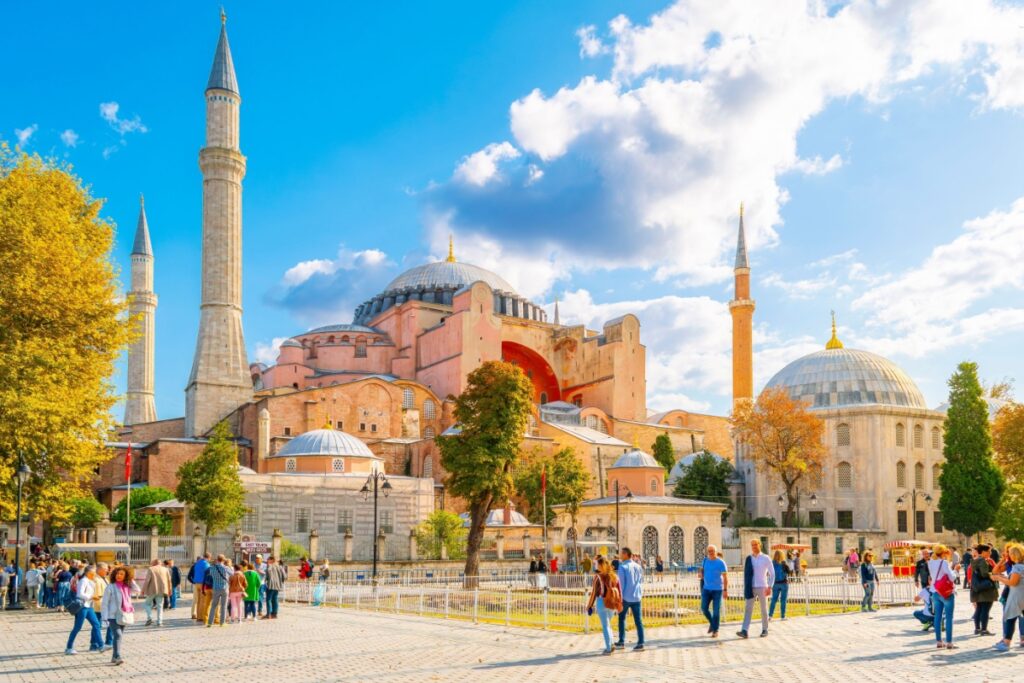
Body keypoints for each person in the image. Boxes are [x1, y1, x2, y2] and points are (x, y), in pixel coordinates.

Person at [737, 539, 774, 639]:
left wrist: (769, 586)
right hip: (751, 587)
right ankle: (744, 630)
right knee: (748, 609)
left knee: (764, 609)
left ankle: (765, 629)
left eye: (755, 544)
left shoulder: (766, 558)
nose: (753, 546)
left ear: (759, 545)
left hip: (762, 587)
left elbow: (772, 573)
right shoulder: (749, 558)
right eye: (752, 545)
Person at [65, 565, 104, 655]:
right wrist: (92, 596)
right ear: (88, 572)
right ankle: (69, 647)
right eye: (94, 572)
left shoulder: (90, 581)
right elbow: (80, 594)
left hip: (89, 606)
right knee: (77, 627)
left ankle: (101, 645)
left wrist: (94, 598)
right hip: (82, 607)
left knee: (96, 624)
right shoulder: (83, 581)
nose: (95, 573)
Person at [992, 544, 1024, 652]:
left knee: (1010, 618)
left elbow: (1013, 583)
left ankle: (1006, 643)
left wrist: (998, 578)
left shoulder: (1018, 567)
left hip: (1016, 596)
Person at [586, 555, 620, 654]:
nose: (596, 566)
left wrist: (589, 605)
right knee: (608, 625)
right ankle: (612, 643)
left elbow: (594, 592)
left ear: (600, 565)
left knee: (605, 626)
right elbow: (618, 589)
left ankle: (609, 648)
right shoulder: (614, 576)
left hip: (602, 602)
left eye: (598, 564)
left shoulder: (598, 577)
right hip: (612, 602)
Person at [101, 566, 134, 666]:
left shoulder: (127, 587)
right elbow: (105, 603)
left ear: (125, 576)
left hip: (124, 614)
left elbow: (138, 589)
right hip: (112, 616)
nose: (118, 576)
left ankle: (113, 657)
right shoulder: (110, 587)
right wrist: (104, 618)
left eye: (122, 574)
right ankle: (117, 656)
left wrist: (131, 580)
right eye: (117, 573)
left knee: (118, 637)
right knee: (118, 635)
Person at [928, 544, 959, 649]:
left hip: (935, 591)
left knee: (937, 617)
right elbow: (951, 577)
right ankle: (949, 642)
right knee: (949, 617)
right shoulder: (943, 562)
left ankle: (939, 641)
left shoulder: (930, 562)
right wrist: (955, 570)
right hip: (946, 592)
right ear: (943, 553)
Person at [614, 547, 645, 651]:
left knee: (621, 618)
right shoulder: (638, 566)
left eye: (621, 554)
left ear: (626, 554)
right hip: (636, 597)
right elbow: (641, 581)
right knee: (638, 621)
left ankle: (621, 641)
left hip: (626, 597)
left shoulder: (623, 567)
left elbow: (621, 584)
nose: (620, 556)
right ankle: (641, 642)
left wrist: (619, 598)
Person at [698, 544, 728, 637]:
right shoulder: (705, 560)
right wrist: (700, 573)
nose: (710, 553)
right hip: (706, 589)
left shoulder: (721, 562)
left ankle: (716, 630)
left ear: (716, 552)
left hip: (717, 590)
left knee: (716, 611)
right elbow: (702, 570)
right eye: (709, 551)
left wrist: (725, 590)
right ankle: (712, 624)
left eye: (712, 551)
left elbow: (725, 577)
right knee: (704, 608)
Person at [970, 544, 998, 636]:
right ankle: (984, 629)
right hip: (986, 588)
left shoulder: (976, 560)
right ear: (983, 552)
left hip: (978, 588)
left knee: (979, 609)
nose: (990, 552)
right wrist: (993, 574)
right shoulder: (983, 561)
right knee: (985, 609)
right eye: (989, 551)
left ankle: (977, 628)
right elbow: (984, 574)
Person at [141, 558, 170, 627]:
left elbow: (147, 580)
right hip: (162, 590)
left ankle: (150, 617)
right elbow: (169, 580)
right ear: (160, 563)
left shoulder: (151, 569)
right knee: (160, 606)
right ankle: (159, 622)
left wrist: (143, 590)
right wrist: (169, 590)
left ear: (154, 563)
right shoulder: (165, 569)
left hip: (152, 590)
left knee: (146, 604)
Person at [206, 554, 233, 627]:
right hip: (224, 588)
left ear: (217, 559)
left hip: (215, 588)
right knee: (223, 606)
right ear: (223, 560)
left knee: (213, 605)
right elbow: (232, 574)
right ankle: (222, 623)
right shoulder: (226, 568)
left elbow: (211, 575)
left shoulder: (212, 568)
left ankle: (210, 622)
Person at [262, 555, 287, 619]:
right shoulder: (280, 567)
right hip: (277, 585)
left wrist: (266, 581)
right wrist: (280, 581)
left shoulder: (269, 567)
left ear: (272, 560)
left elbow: (267, 576)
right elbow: (285, 577)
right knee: (275, 599)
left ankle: (269, 614)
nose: (267, 561)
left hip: (270, 585)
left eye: (268, 560)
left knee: (268, 600)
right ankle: (275, 614)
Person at [769, 549, 791, 620]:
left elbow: (770, 573)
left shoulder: (772, 564)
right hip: (784, 583)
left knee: (774, 600)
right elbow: (789, 572)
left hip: (775, 583)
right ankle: (782, 616)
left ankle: (770, 616)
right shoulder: (783, 563)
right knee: (783, 600)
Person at [188, 553, 210, 621]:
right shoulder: (206, 564)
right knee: (203, 601)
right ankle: (202, 617)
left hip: (196, 583)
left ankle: (198, 616)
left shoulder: (197, 563)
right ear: (208, 557)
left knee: (198, 601)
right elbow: (208, 574)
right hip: (202, 584)